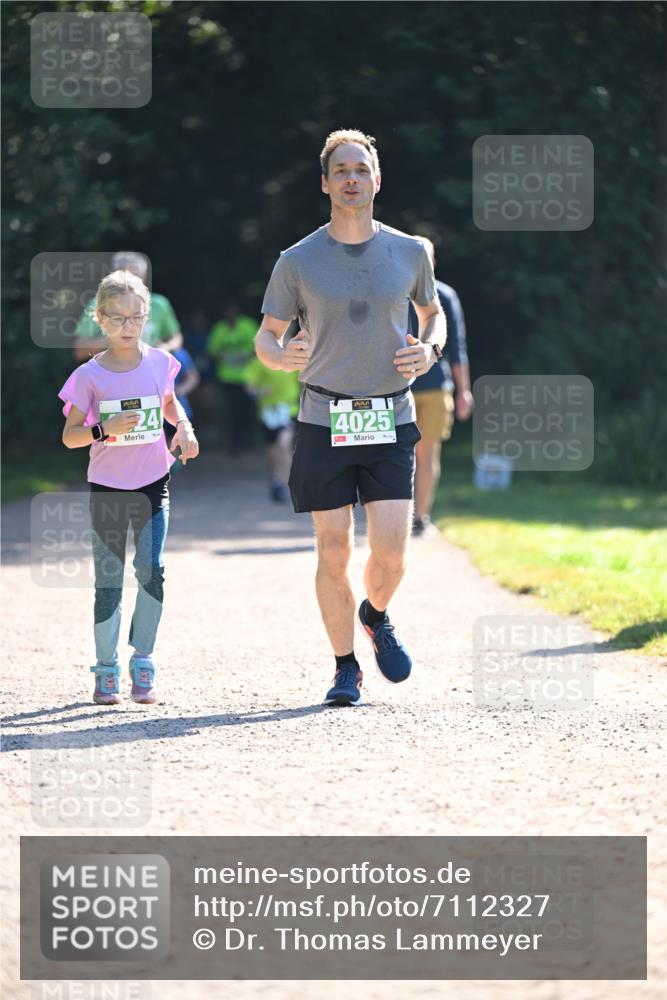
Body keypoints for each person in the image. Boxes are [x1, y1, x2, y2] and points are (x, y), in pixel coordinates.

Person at [255, 128, 446, 707]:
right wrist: (279, 353)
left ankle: (375, 613)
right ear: (325, 183)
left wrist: (430, 348)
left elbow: (432, 314)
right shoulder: (297, 260)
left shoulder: (412, 251)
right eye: (341, 170)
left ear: (377, 179)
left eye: (361, 169)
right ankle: (345, 669)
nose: (351, 179)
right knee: (333, 548)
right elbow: (266, 337)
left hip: (390, 415)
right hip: (323, 417)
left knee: (392, 551)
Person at [59, 270, 199, 705]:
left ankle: (143, 662)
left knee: (152, 569)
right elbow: (70, 436)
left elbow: (171, 404)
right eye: (117, 319)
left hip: (154, 484)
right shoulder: (89, 375)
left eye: (136, 317)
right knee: (108, 580)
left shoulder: (161, 362)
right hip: (107, 488)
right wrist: (104, 428)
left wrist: (186, 430)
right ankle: (105, 670)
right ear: (100, 319)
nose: (128, 326)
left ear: (146, 318)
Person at [409, 237, 473, 536]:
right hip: (419, 387)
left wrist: (463, 391)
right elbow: (457, 349)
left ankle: (415, 517)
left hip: (406, 387)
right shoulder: (444, 295)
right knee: (425, 455)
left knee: (409, 454)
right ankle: (417, 517)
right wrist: (463, 391)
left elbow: (457, 348)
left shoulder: (393, 293)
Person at [72, 252, 183, 362]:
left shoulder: (159, 304)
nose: (130, 282)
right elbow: (80, 351)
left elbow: (176, 336)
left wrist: (166, 348)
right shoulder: (97, 304)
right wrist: (114, 339)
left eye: (137, 317)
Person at [244, 356, 300, 502]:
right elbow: (249, 387)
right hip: (268, 414)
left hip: (289, 411)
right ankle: (274, 481)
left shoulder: (294, 360)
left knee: (284, 444)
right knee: (272, 451)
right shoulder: (259, 362)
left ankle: (286, 484)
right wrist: (259, 391)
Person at [207, 303, 259, 454]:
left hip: (248, 378)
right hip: (227, 378)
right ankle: (234, 443)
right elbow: (212, 352)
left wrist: (245, 357)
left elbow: (259, 348)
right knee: (231, 411)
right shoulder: (219, 329)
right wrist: (224, 356)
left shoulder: (248, 325)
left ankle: (248, 440)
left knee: (246, 409)